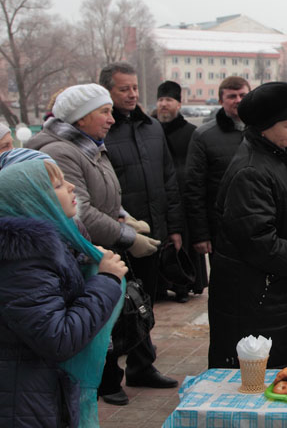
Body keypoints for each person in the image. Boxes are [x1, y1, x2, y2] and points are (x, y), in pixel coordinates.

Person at [208, 82, 287, 369]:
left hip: (272, 294)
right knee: (261, 378)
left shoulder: (272, 157)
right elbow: (259, 241)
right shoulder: (251, 171)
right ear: (265, 128)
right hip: (255, 301)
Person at [0, 158, 127, 427]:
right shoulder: (23, 262)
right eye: (57, 185)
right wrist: (105, 280)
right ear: (31, 200)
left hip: (39, 392)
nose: (71, 187)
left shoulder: (53, 245)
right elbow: (58, 338)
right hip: (23, 404)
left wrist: (85, 263)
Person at [98, 62, 181, 402]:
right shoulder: (102, 129)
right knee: (112, 306)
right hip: (114, 236)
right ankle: (108, 378)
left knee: (144, 303)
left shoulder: (152, 127)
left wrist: (173, 227)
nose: (132, 94)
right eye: (124, 89)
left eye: (135, 87)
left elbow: (168, 178)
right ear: (107, 92)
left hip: (151, 232)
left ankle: (142, 366)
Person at [26, 83, 161, 259]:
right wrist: (126, 237)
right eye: (104, 112)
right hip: (81, 255)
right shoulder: (60, 153)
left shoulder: (91, 146)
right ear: (81, 118)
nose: (112, 120)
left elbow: (101, 195)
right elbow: (80, 211)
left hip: (99, 250)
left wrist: (123, 217)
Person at [182, 76, 250, 275]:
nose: (238, 100)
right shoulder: (204, 136)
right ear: (221, 100)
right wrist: (200, 234)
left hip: (258, 225)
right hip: (221, 229)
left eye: (243, 95)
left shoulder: (263, 131)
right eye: (232, 96)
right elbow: (194, 187)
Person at [152, 80, 200, 303]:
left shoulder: (191, 132)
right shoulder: (150, 130)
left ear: (179, 104)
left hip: (182, 197)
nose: (164, 104)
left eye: (169, 100)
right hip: (158, 196)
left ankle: (183, 286)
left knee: (182, 243)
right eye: (161, 100)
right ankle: (160, 286)